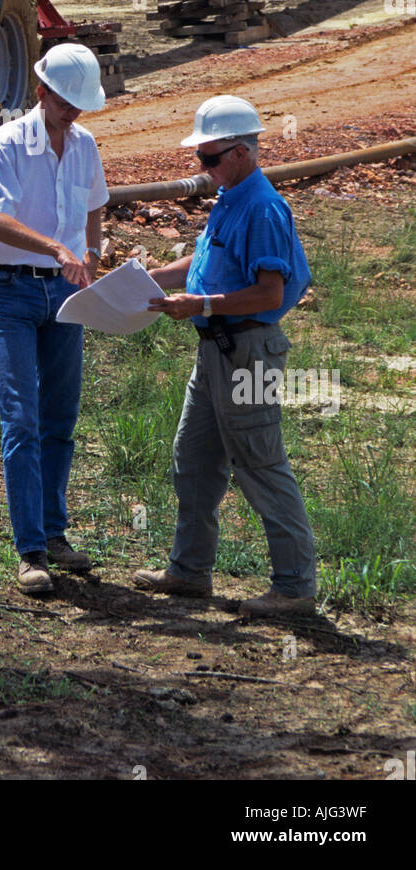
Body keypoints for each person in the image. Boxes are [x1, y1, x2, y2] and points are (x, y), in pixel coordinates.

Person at [137, 94, 316, 618]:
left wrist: (203, 304)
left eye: (210, 159)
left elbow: (268, 293)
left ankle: (294, 588)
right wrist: (143, 284)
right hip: (217, 352)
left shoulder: (261, 206)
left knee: (260, 464)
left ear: (241, 153)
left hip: (248, 354)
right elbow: (203, 260)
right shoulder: (232, 197)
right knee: (193, 460)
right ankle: (189, 572)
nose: (203, 168)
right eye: (201, 159)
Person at [0, 44, 109, 595]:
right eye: (65, 102)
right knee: (21, 420)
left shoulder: (84, 145)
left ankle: (54, 534)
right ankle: (30, 549)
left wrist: (93, 256)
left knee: (60, 417)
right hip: (12, 291)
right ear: (41, 92)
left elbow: (96, 203)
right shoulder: (6, 144)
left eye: (80, 105)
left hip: (66, 292)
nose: (73, 113)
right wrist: (57, 248)